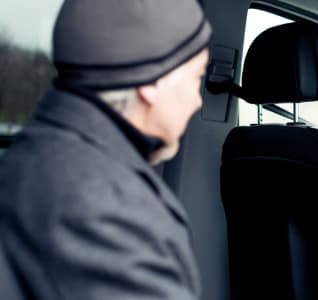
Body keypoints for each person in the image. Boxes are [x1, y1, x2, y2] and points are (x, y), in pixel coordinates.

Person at [0, 0, 212, 299]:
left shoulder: (32, 154)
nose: (197, 100)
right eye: (197, 77)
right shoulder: (107, 209)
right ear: (153, 82)